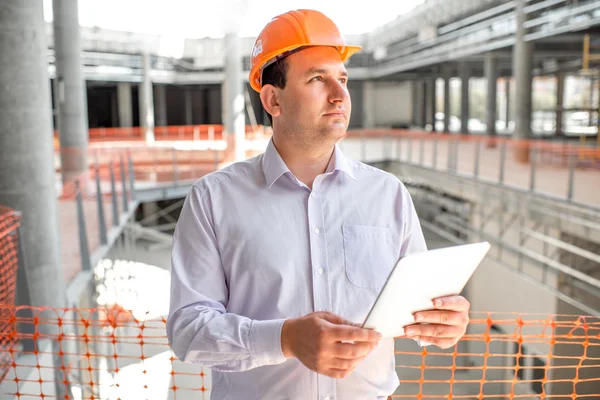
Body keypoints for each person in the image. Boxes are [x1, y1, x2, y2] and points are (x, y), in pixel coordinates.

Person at [167, 9, 470, 400]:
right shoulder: (214, 200)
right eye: (317, 79)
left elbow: (417, 310)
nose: (340, 94)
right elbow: (189, 331)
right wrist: (284, 339)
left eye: (342, 79)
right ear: (273, 99)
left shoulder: (388, 195)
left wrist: (443, 322)